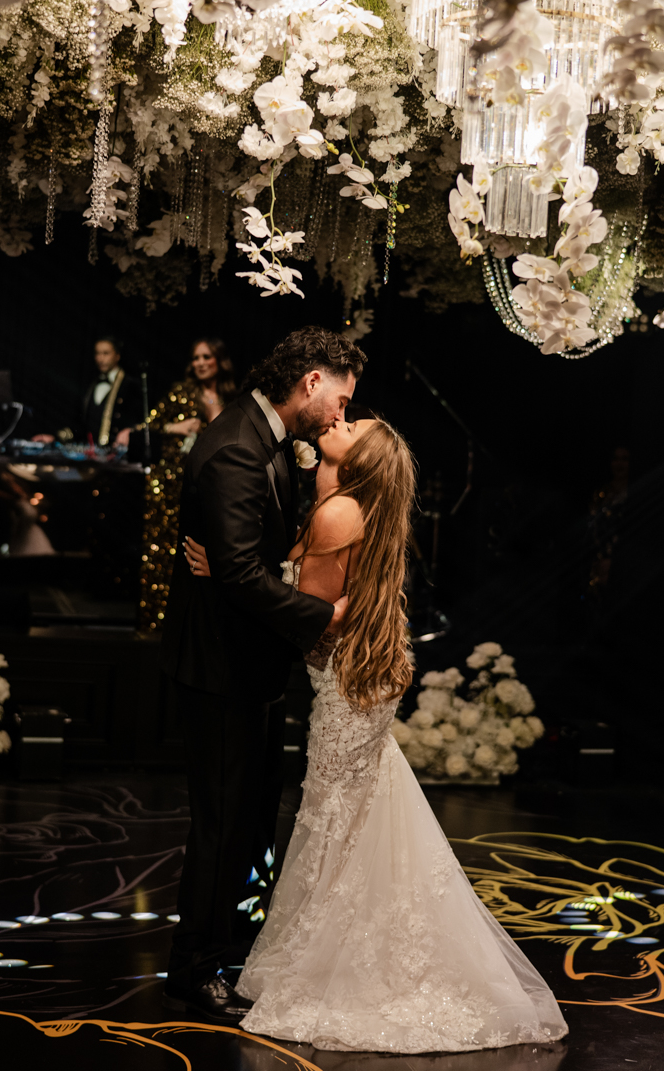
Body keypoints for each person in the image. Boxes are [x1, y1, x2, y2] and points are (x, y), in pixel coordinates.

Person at [184, 416, 569, 1054]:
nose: (340, 419)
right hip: (357, 682)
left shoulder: (339, 513)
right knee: (349, 814)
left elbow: (309, 619)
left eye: (353, 424)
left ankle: (340, 967)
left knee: (336, 815)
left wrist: (225, 574)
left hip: (344, 684)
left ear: (360, 459)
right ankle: (331, 950)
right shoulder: (341, 505)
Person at [159, 326, 367, 1023]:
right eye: (339, 398)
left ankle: (230, 942)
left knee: (249, 819)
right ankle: (193, 966)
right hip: (220, 666)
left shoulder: (269, 441)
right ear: (311, 382)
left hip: (251, 662)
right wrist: (325, 615)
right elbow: (244, 576)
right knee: (221, 822)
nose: (339, 414)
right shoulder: (235, 450)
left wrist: (240, 568)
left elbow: (248, 560)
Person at [138, 337, 238, 634]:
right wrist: (176, 427)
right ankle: (156, 624)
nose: (200, 363)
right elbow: (147, 428)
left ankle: (195, 625)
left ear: (219, 360)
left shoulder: (232, 397)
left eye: (206, 356)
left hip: (213, 485)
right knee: (165, 554)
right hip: (171, 484)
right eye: (196, 358)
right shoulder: (181, 392)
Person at [34, 335, 142, 448]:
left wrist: (131, 431)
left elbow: (141, 422)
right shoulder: (90, 385)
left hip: (118, 455)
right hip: (90, 454)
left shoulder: (131, 385)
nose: (100, 358)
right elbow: (81, 427)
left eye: (106, 353)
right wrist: (55, 437)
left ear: (117, 356)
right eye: (97, 353)